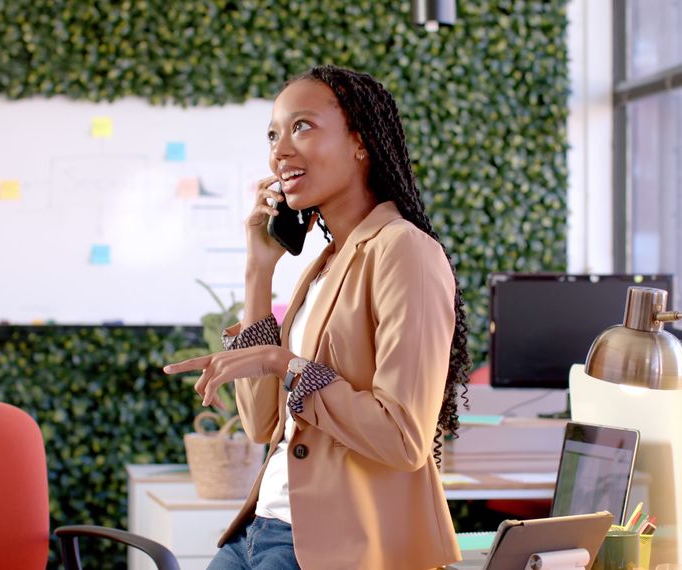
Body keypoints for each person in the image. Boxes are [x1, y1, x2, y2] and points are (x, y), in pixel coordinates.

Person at [164, 65, 471, 570]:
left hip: (327, 545)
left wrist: (287, 364)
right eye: (273, 134)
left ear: (360, 142)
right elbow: (262, 423)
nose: (280, 150)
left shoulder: (403, 252)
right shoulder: (325, 266)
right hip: (257, 531)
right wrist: (258, 272)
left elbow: (404, 438)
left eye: (302, 126)